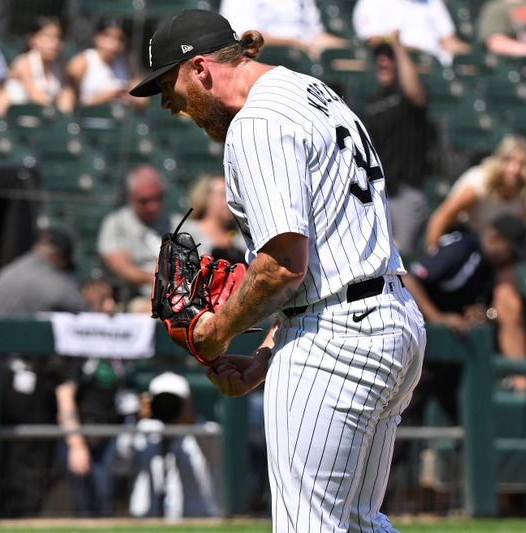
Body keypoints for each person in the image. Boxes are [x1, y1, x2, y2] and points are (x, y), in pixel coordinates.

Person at [128, 10, 426, 532]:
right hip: (388, 318)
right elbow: (328, 248)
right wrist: (268, 353)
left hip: (337, 341)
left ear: (200, 69)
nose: (171, 107)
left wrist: (217, 332)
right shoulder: (310, 91)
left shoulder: (257, 122)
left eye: (169, 89)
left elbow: (284, 264)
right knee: (358, 523)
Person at [0, 226, 87, 517]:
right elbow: (86, 318)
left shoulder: (6, 273)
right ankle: (19, 516)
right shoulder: (54, 280)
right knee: (28, 455)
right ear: (59, 256)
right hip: (25, 380)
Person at [426, 135, 526, 365]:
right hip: (463, 249)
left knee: (510, 307)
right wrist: (434, 259)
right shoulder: (478, 184)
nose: (515, 169)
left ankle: (518, 378)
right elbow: (440, 219)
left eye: (521, 164)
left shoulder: (525, 198)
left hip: (496, 256)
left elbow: (513, 242)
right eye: (509, 161)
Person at [404, 215, 526, 398]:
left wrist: (481, 313)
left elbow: (479, 305)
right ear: (495, 239)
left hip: (448, 342)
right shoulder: (463, 249)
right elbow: (408, 279)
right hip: (416, 330)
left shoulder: (489, 265)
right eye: (510, 252)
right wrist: (438, 317)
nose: (510, 260)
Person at [361, 35, 430, 257]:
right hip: (376, 193)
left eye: (389, 57)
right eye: (380, 57)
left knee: (401, 260)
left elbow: (415, 93)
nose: (384, 62)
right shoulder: (371, 102)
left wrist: (397, 45)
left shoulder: (407, 96)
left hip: (405, 192)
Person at [126, 372, 218, 519]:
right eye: (161, 401)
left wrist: (188, 419)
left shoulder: (205, 431)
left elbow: (218, 455)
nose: (167, 407)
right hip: (145, 520)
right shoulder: (143, 430)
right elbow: (118, 463)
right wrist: (135, 421)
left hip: (196, 520)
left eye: (175, 401)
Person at [96, 165, 179, 311]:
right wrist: (160, 279)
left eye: (157, 198)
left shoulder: (176, 223)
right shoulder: (117, 224)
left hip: (177, 294)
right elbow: (123, 269)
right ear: (131, 197)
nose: (153, 206)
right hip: (137, 297)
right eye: (144, 200)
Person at [352, 0, 470, 66]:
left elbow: (449, 41)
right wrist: (398, 44)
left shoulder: (432, 2)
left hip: (439, 65)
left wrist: (478, 54)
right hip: (402, 63)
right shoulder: (371, 2)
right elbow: (373, 40)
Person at [219, 0, 348, 60]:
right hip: (265, 61)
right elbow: (246, 37)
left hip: (304, 59)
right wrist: (295, 44)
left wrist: (349, 47)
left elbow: (316, 35)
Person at [2, 17, 76, 115]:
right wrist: (58, 111)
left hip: (43, 120)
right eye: (49, 37)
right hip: (15, 120)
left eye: (58, 37)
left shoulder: (59, 65)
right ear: (33, 39)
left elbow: (66, 92)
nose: (55, 43)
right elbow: (36, 96)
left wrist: (66, 113)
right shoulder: (23, 62)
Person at [65, 17, 144, 109]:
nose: (114, 44)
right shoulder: (82, 61)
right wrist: (103, 98)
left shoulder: (128, 63)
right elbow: (69, 102)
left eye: (120, 39)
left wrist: (127, 97)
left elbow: (142, 100)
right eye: (108, 36)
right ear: (97, 37)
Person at [181, 174, 246, 263]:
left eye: (233, 195)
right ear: (206, 198)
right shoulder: (187, 234)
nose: (231, 200)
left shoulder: (240, 235)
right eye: (223, 194)